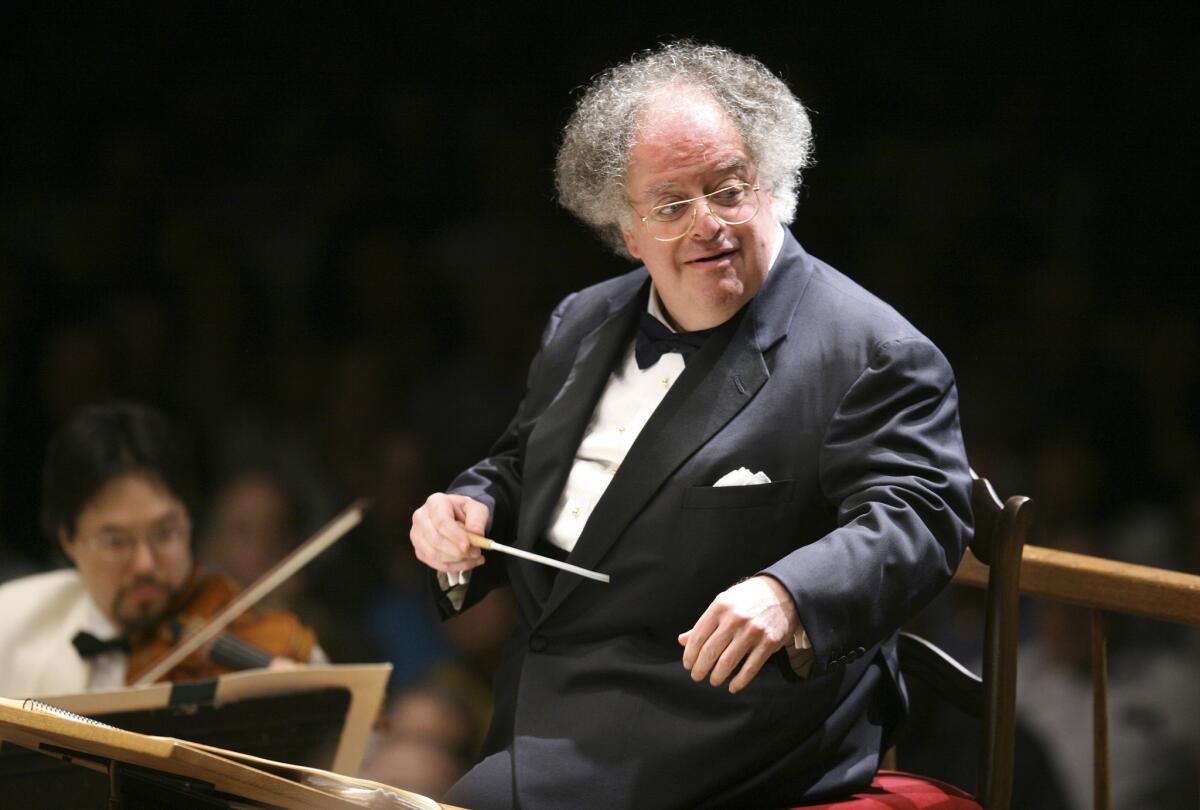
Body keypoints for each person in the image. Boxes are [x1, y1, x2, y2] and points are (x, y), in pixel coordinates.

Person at [408, 41, 973, 809]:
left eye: (729, 190)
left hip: (718, 721)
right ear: (626, 231)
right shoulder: (582, 320)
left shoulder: (873, 351)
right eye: (672, 205)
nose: (707, 223)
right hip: (536, 707)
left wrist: (787, 594)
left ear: (771, 184)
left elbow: (921, 514)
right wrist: (470, 506)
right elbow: (518, 462)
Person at [0, 401, 325, 698]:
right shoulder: (12, 626)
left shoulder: (263, 640)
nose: (144, 564)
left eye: (165, 533)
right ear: (68, 542)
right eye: (116, 541)